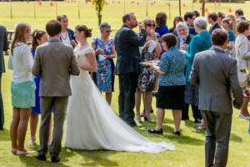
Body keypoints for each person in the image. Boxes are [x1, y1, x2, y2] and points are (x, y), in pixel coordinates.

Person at [60, 26, 175, 154]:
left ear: (81, 33)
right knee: (75, 107)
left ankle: (89, 137)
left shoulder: (88, 49)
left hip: (83, 82)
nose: (74, 34)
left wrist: (76, 66)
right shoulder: (77, 47)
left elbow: (94, 68)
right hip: (75, 82)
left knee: (85, 108)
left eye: (75, 32)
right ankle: (75, 139)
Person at [190, 28, 243, 167]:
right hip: (222, 103)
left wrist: (206, 86)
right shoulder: (229, 60)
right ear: (226, 42)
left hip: (205, 102)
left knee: (209, 137)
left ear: (212, 41)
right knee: (222, 140)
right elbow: (236, 86)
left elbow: (192, 79)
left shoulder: (199, 56)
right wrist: (238, 102)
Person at [31, 20, 79, 163]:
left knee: (44, 121)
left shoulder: (40, 49)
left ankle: (41, 152)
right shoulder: (68, 49)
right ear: (60, 32)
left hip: (46, 88)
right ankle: (55, 153)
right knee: (58, 122)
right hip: (62, 88)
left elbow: (35, 71)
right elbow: (76, 71)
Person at [7, 22, 36, 156]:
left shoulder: (13, 46)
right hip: (25, 83)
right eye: (29, 31)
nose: (31, 34)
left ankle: (14, 146)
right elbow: (31, 67)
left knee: (15, 118)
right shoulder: (24, 48)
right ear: (24, 32)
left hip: (15, 83)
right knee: (24, 118)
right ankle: (20, 147)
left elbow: (11, 66)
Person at [151, 34, 189, 135]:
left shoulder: (166, 55)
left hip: (166, 84)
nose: (162, 44)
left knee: (160, 106)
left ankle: (158, 128)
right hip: (180, 83)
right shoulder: (182, 53)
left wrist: (153, 66)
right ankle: (177, 129)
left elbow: (163, 71)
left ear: (167, 42)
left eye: (163, 42)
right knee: (177, 107)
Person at [113, 13, 145, 127]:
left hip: (122, 66)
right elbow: (141, 42)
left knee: (123, 93)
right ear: (127, 21)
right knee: (129, 94)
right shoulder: (128, 32)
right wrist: (143, 31)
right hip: (129, 67)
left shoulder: (119, 32)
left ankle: (122, 116)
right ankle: (129, 119)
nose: (136, 21)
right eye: (134, 19)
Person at [185, 18, 213, 129]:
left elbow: (193, 57)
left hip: (196, 70)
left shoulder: (196, 38)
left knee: (199, 97)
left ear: (196, 26)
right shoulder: (210, 37)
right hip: (209, 69)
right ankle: (206, 121)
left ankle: (203, 122)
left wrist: (184, 53)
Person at [233, 20, 250, 118]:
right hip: (245, 68)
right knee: (249, 91)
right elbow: (244, 54)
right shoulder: (243, 39)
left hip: (243, 67)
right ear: (245, 29)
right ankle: (242, 112)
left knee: (248, 91)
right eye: (249, 28)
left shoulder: (241, 37)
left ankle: (244, 111)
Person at [136, 25, 161, 124]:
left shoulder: (155, 37)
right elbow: (137, 52)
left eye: (153, 25)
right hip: (140, 67)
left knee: (149, 91)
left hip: (151, 67)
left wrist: (155, 41)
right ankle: (137, 114)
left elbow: (157, 54)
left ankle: (147, 114)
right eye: (149, 25)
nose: (151, 27)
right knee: (138, 91)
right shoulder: (138, 36)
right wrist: (145, 45)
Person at [27, 29, 46, 150]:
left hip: (46, 82)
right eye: (45, 39)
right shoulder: (31, 52)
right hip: (35, 82)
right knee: (33, 113)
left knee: (47, 112)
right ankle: (32, 136)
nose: (47, 41)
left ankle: (47, 138)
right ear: (38, 40)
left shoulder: (48, 50)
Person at [93, 22, 115, 99]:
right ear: (101, 31)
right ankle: (99, 109)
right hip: (98, 68)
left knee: (109, 89)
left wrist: (108, 56)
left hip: (108, 67)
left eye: (110, 31)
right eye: (107, 31)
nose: (109, 33)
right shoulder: (95, 40)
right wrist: (97, 52)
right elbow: (91, 54)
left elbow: (114, 54)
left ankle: (107, 108)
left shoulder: (112, 40)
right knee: (98, 89)